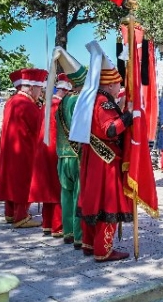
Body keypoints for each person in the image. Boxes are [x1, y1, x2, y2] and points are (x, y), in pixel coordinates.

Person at [71, 42, 133, 261]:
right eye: (118, 84)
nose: (119, 88)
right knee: (107, 202)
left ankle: (89, 244)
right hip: (105, 161)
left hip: (92, 157)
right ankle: (103, 249)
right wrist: (130, 116)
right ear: (110, 85)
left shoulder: (92, 99)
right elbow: (110, 129)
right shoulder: (104, 102)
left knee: (91, 201)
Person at [0, 68, 48, 228]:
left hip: (10, 149)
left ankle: (10, 213)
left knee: (11, 181)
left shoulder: (12, 101)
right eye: (40, 89)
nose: (41, 92)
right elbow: (40, 127)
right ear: (32, 88)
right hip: (24, 150)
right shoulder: (26, 104)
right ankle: (21, 216)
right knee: (23, 182)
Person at [29, 73, 73, 237]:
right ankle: (57, 225)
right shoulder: (59, 105)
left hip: (43, 150)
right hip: (54, 151)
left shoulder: (47, 104)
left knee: (48, 187)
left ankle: (47, 224)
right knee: (57, 187)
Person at [53, 47, 88, 249]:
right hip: (77, 155)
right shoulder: (79, 101)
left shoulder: (64, 99)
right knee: (78, 195)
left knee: (65, 193)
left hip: (62, 155)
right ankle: (78, 235)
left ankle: (67, 232)